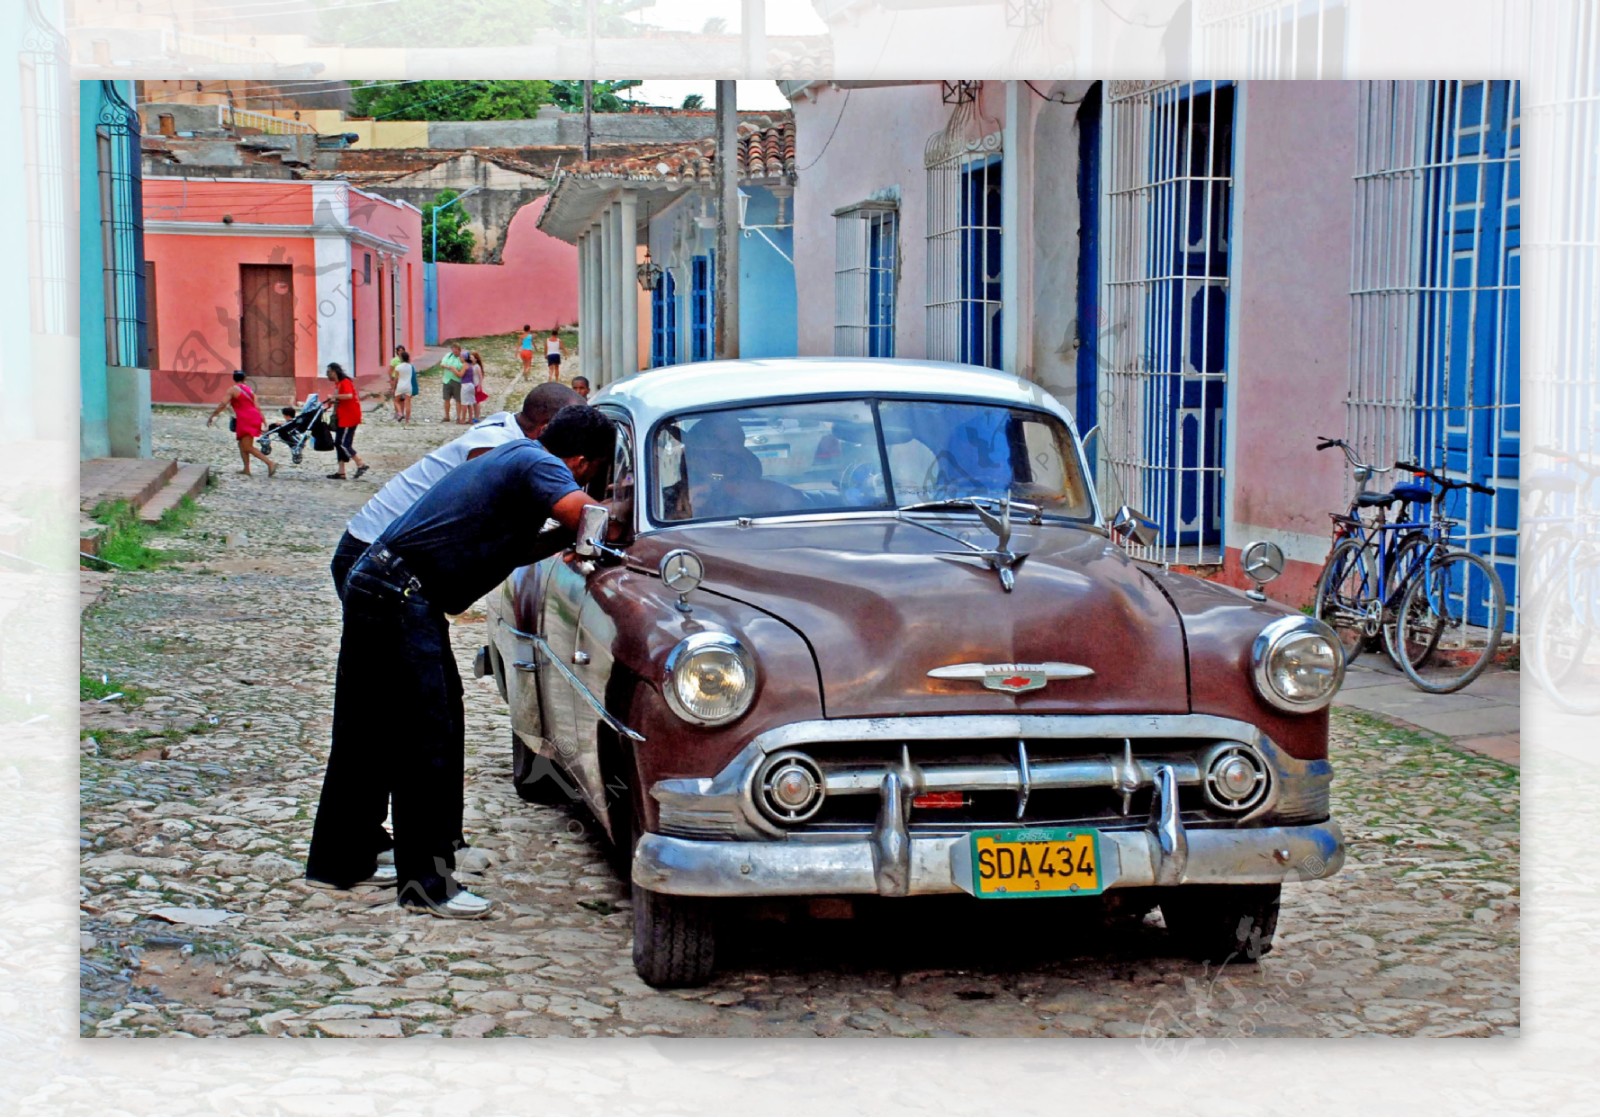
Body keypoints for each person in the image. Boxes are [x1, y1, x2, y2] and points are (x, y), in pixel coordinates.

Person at [305, 405, 616, 919]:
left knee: (367, 729)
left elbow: (506, 549)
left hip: (379, 583)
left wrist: (563, 537)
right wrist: (621, 507)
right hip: (403, 596)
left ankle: (344, 856)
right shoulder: (544, 467)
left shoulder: (517, 455)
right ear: (582, 462)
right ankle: (427, 884)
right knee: (427, 737)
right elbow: (589, 520)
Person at [330, 382, 583, 599]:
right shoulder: (499, 449)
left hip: (382, 552)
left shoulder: (505, 428)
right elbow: (496, 544)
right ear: (546, 427)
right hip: (374, 554)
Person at [206, 370, 277, 477]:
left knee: (247, 447)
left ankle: (270, 463)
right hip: (253, 417)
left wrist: (213, 415)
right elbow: (257, 407)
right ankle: (246, 469)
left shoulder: (232, 390)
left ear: (234, 379)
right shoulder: (250, 391)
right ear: (245, 379)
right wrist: (264, 420)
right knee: (241, 444)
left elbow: (223, 404)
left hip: (245, 419)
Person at [324, 363, 370, 480]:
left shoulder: (345, 382)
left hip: (349, 417)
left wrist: (335, 397)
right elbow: (339, 399)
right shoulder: (338, 383)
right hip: (342, 416)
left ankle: (360, 464)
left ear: (334, 371)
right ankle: (341, 472)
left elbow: (349, 395)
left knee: (343, 443)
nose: (327, 374)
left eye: (329, 372)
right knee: (338, 443)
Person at [439, 343, 465, 423]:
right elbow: (442, 364)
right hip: (447, 379)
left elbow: (463, 367)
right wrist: (448, 367)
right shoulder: (448, 355)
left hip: (457, 381)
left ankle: (458, 417)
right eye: (453, 350)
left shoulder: (461, 357)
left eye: (456, 350)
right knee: (446, 399)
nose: (454, 352)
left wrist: (455, 370)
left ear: (459, 350)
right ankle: (447, 416)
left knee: (458, 400)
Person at [390, 345, 414, 424]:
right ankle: (407, 420)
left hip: (400, 385)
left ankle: (400, 413)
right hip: (408, 386)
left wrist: (393, 388)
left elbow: (396, 378)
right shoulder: (410, 366)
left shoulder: (398, 367)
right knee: (408, 403)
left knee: (396, 401)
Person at [457, 352, 480, 426]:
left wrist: (453, 369)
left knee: (464, 403)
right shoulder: (470, 365)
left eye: (461, 357)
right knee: (470, 402)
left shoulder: (465, 365)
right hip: (471, 385)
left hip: (465, 385)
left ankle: (463, 419)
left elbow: (460, 375)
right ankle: (470, 419)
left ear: (464, 358)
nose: (460, 358)